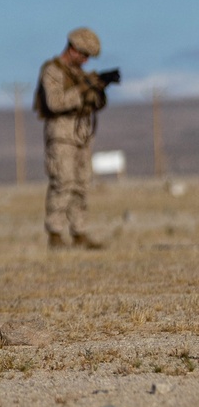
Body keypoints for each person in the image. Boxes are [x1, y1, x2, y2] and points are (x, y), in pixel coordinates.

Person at [34, 28, 121, 249]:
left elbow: (95, 104)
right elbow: (55, 103)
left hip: (81, 136)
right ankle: (55, 234)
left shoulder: (80, 75)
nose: (85, 60)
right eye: (83, 55)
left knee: (82, 184)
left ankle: (79, 233)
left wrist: (99, 88)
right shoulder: (52, 71)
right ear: (72, 49)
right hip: (61, 135)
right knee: (63, 183)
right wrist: (83, 89)